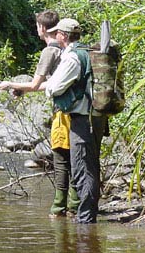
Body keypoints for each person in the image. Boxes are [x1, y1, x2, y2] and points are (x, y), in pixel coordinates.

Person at [0, 10, 79, 218]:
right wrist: (22, 89)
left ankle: (63, 208)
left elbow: (36, 84)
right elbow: (52, 83)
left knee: (62, 159)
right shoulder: (66, 51)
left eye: (37, 26)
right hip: (77, 110)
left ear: (42, 28)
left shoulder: (49, 51)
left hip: (64, 111)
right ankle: (73, 205)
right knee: (73, 158)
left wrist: (10, 85)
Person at [43, 18, 105, 224]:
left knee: (82, 169)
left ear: (64, 36)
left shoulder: (72, 57)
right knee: (90, 165)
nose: (55, 36)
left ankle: (86, 221)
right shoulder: (87, 51)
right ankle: (88, 215)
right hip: (95, 117)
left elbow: (54, 88)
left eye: (57, 33)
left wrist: (48, 85)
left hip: (82, 120)